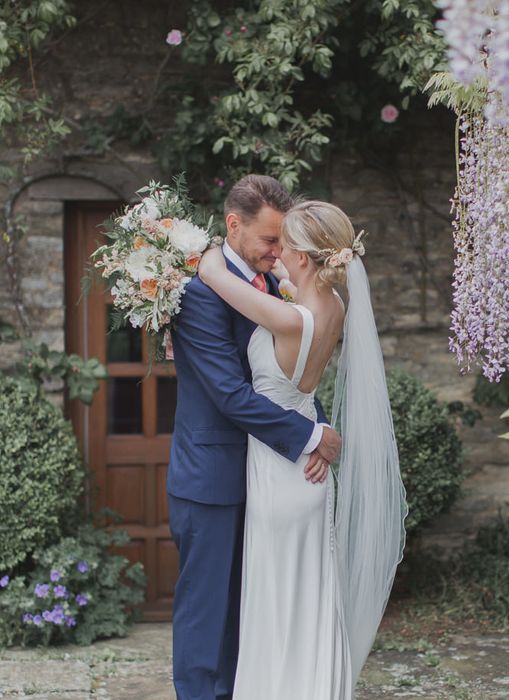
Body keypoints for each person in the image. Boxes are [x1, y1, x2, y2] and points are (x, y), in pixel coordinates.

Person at [197, 200, 407, 699]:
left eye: (285, 246)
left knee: (276, 602)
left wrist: (203, 256)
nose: (278, 254)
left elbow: (214, 275)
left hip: (279, 473)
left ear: (307, 257)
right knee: (309, 599)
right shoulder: (331, 308)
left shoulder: (291, 318)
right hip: (309, 470)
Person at [167, 175, 342, 700]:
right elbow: (230, 394)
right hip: (213, 479)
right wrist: (310, 437)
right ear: (233, 225)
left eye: (282, 241)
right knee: (207, 617)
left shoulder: (271, 287)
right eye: (269, 240)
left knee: (251, 617)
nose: (276, 250)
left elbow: (291, 380)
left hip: (268, 476)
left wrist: (320, 425)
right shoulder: (201, 294)